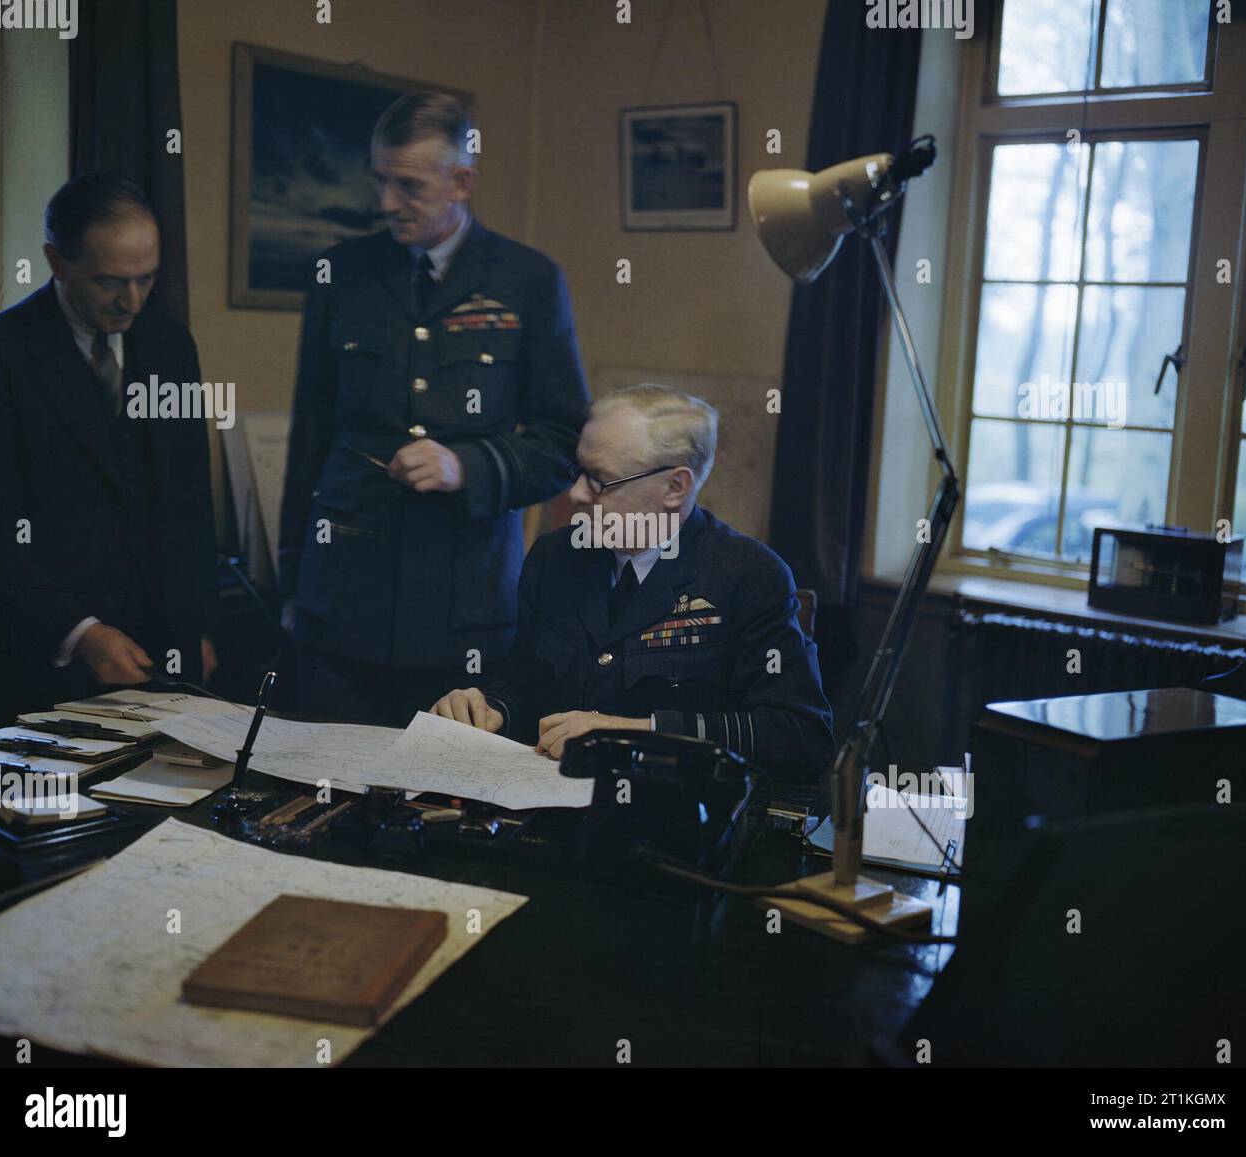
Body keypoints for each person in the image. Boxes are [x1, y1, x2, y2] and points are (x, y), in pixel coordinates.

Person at [279, 91, 589, 726]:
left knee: (442, 802)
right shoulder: (343, 272)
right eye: (382, 181)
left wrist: (467, 466)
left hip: (463, 607)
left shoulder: (527, 279)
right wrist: (292, 579)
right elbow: (310, 434)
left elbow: (563, 440)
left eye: (409, 186)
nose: (387, 203)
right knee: (317, 790)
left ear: (462, 181)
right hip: (342, 599)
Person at [430, 385, 835, 781]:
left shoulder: (747, 575)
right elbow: (525, 685)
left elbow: (800, 738)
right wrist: (489, 706)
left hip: (671, 817)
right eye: (578, 470)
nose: (575, 493)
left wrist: (637, 731)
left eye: (600, 479)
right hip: (550, 803)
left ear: (676, 487)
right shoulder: (556, 556)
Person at [0, 171, 218, 726]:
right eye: (110, 281)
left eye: (146, 279)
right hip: (39, 659)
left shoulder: (170, 343)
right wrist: (78, 630)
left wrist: (196, 625)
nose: (131, 301)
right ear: (57, 262)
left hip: (161, 655)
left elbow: (188, 499)